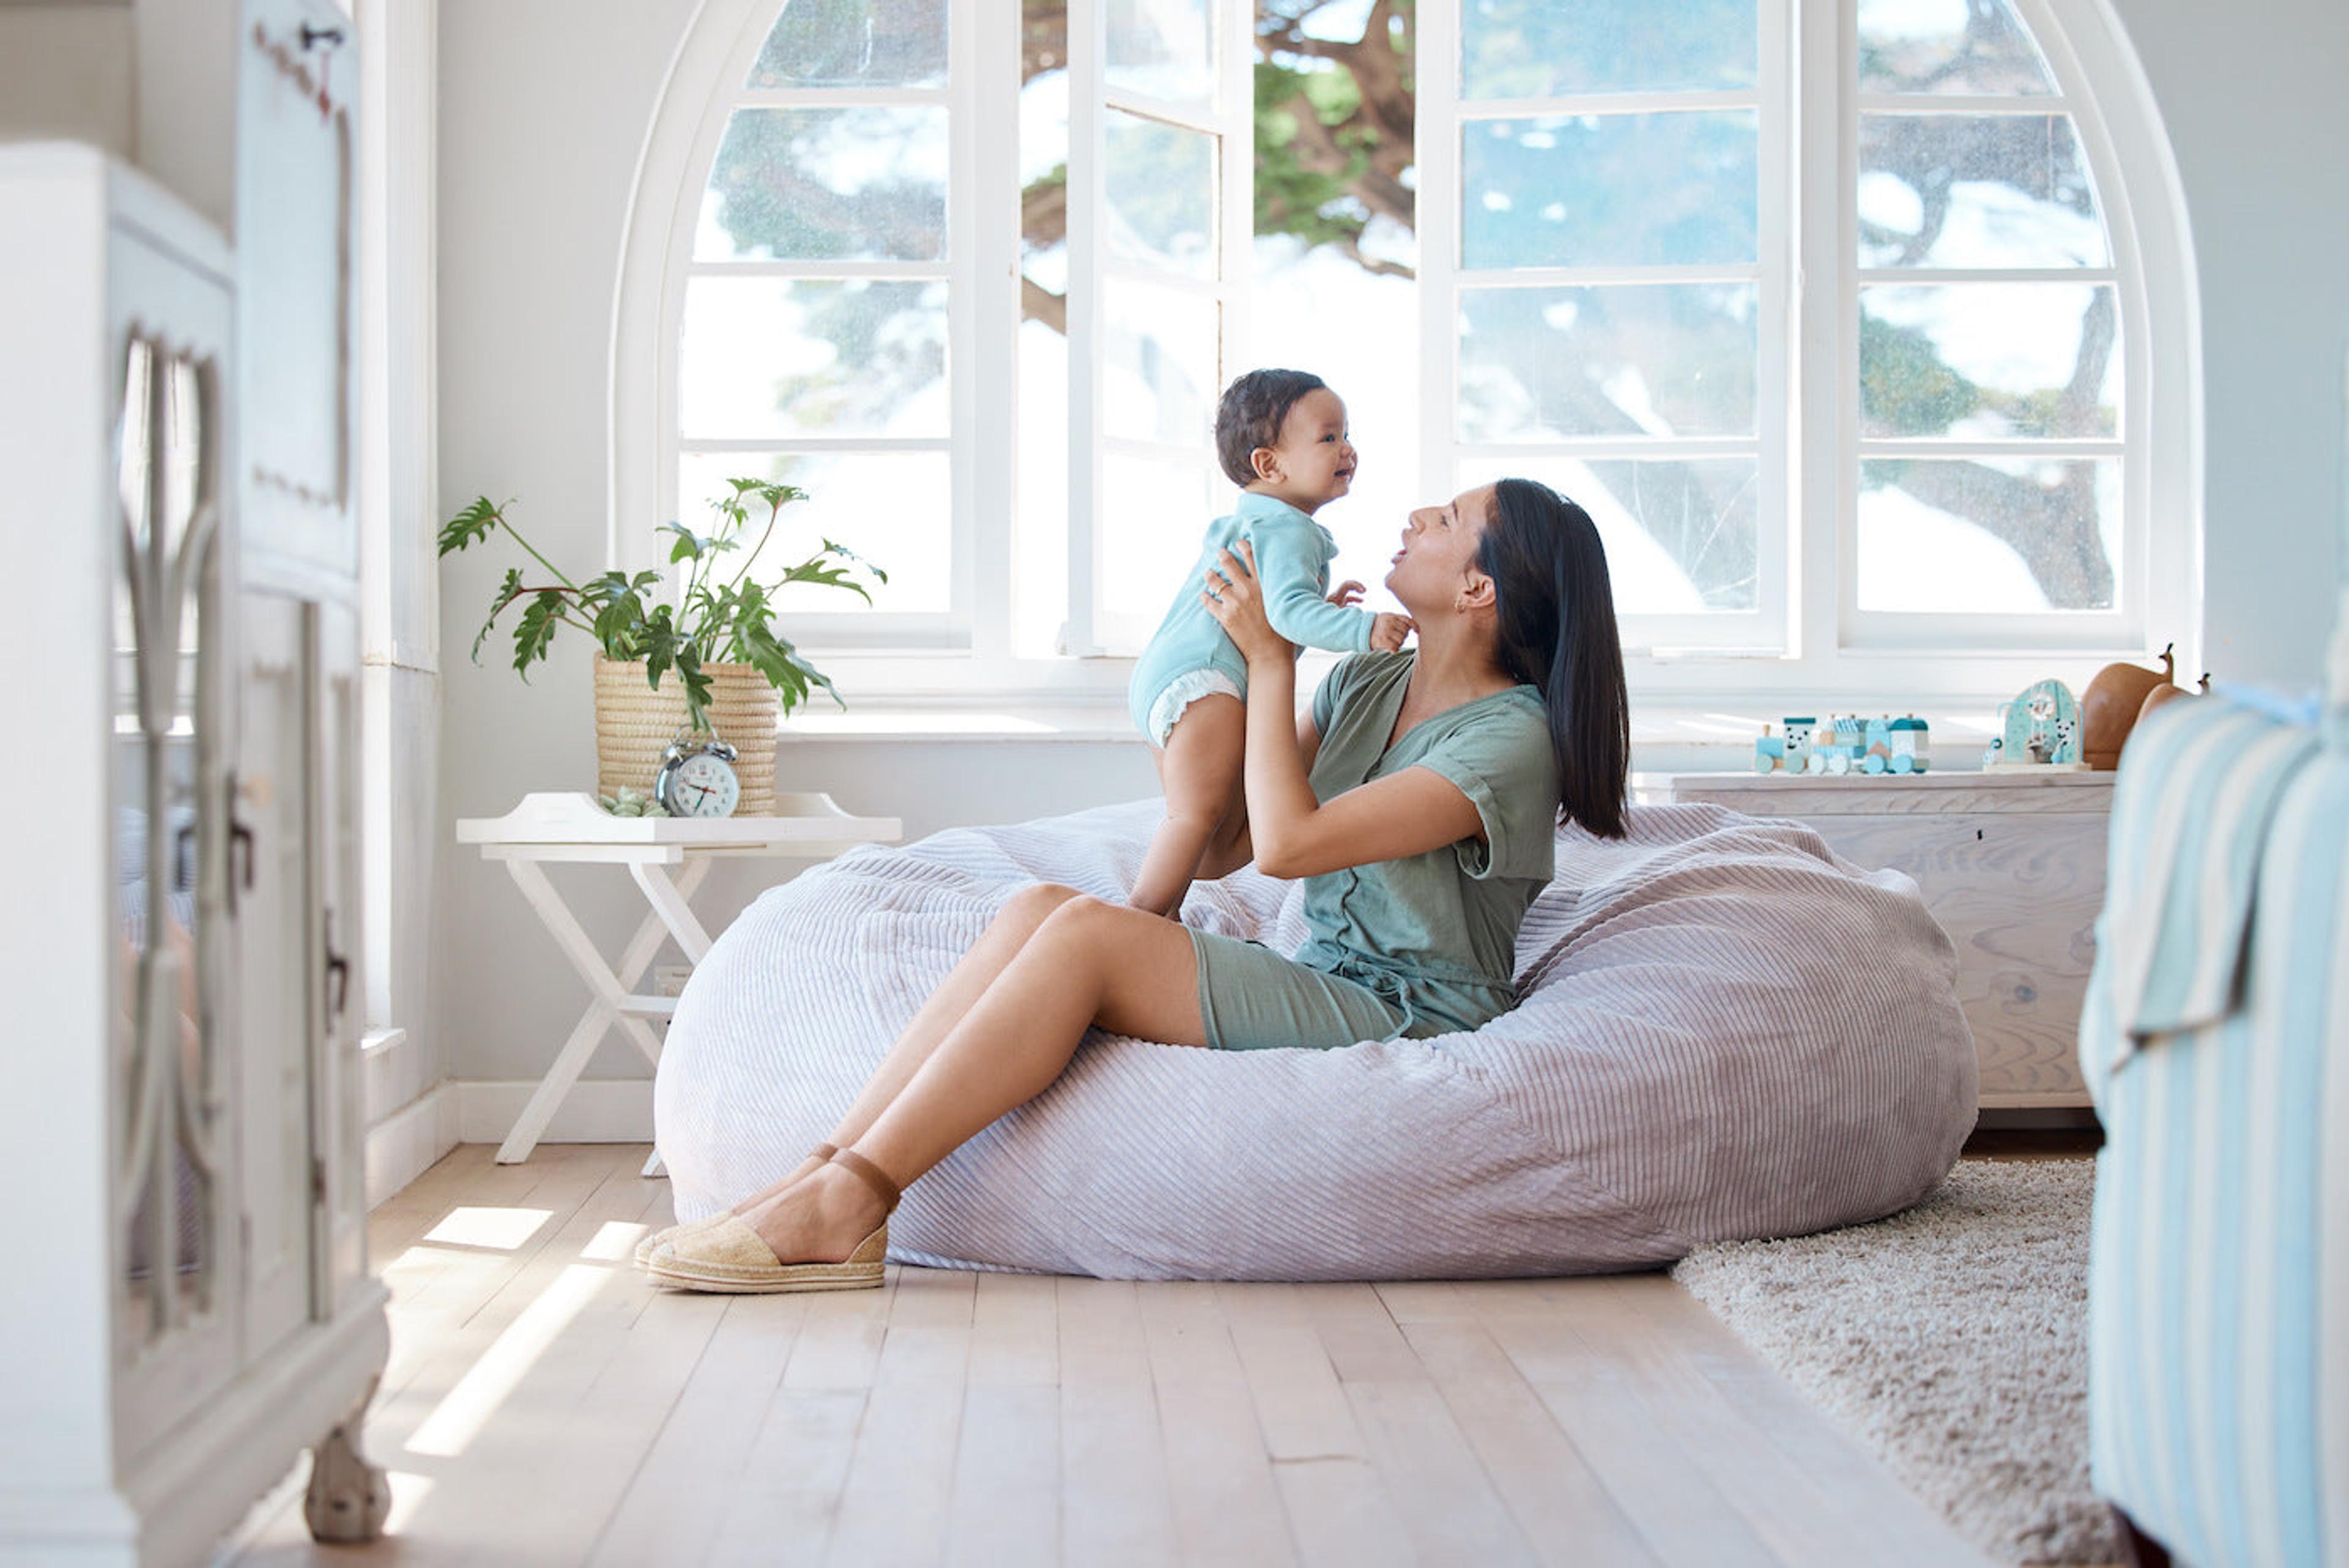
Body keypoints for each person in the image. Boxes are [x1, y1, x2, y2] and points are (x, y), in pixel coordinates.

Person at [636, 478, 1630, 1293]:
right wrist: (1197, 715)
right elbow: (1233, 842)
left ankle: (853, 1199)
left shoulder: (1512, 738)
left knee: (1086, 940)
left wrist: (1270, 656)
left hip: (1407, 1007)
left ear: (1480, 590)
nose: (1416, 514)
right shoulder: (1367, 681)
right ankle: (820, 1176)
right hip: (1319, 969)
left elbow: (1290, 848)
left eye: (1449, 521)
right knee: (1038, 908)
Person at [1124, 368, 1414, 918]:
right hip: (1204, 681)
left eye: (1347, 435)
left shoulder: (1256, 522)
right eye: (1329, 438)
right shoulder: (1290, 530)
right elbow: (1284, 614)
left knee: (1205, 829)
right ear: (1269, 464)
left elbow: (1274, 618)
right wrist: (1363, 630)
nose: (1348, 449)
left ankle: (1152, 915)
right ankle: (1140, 919)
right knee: (1193, 815)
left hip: (1172, 674)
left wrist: (1319, 609)